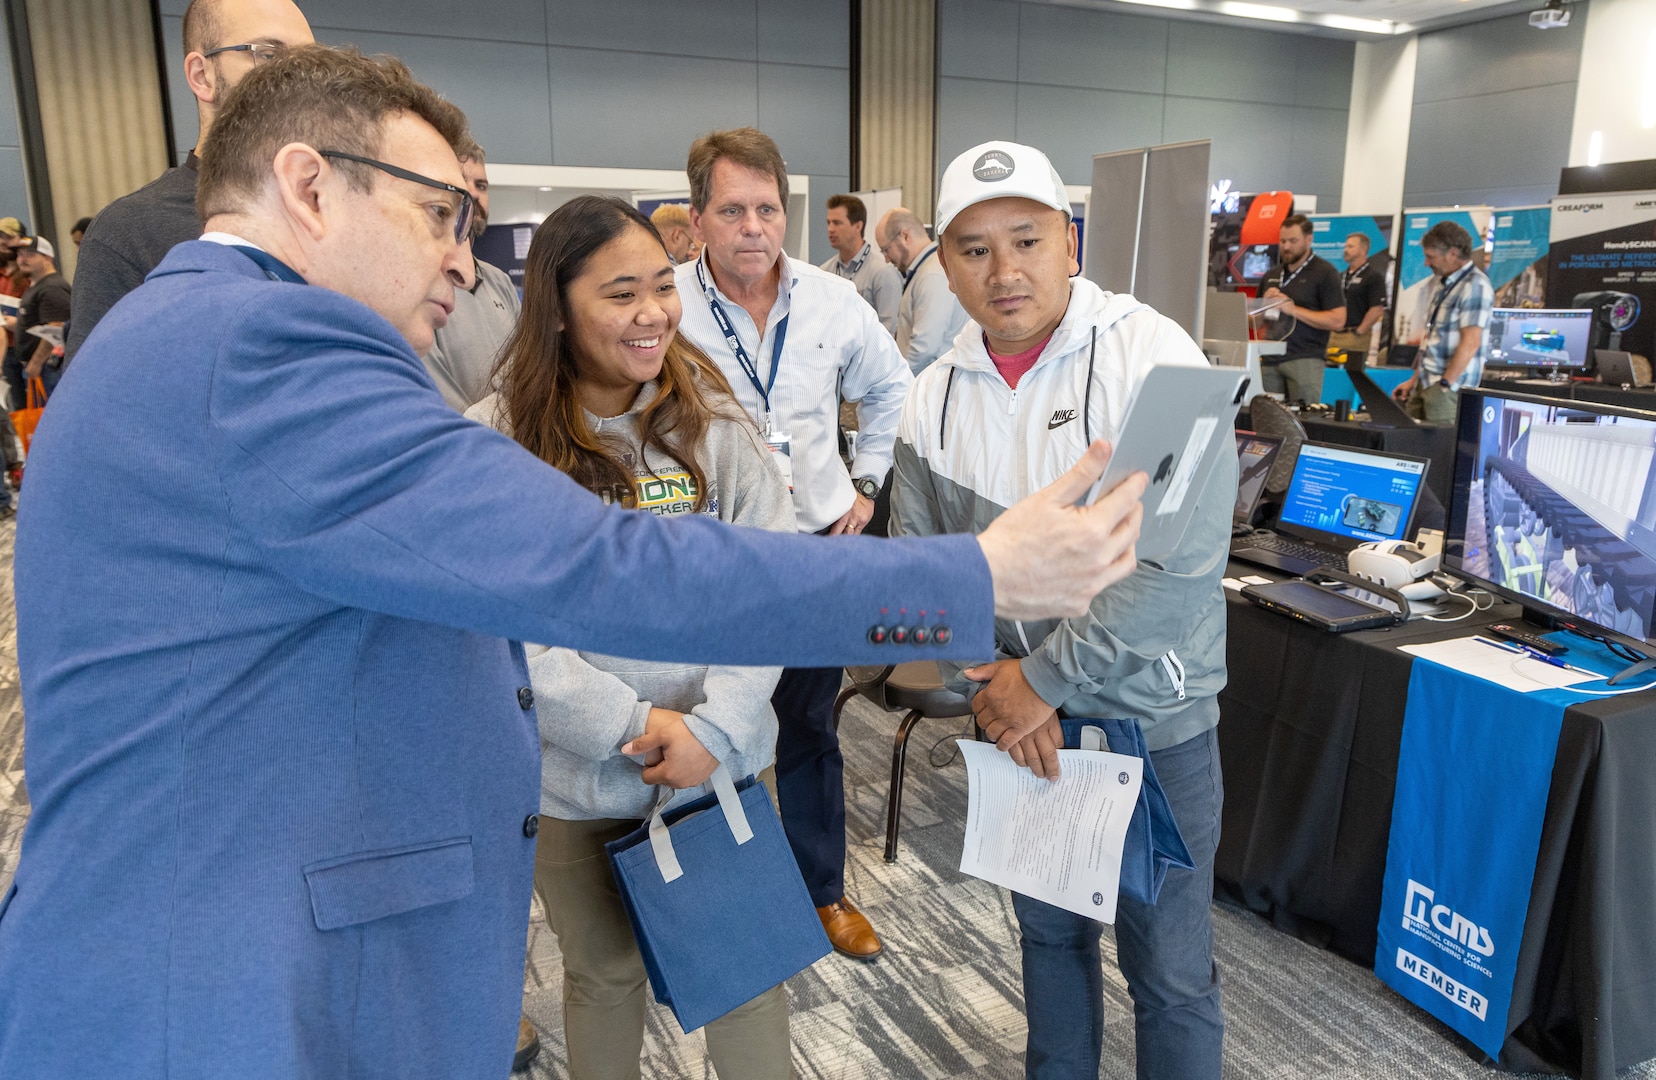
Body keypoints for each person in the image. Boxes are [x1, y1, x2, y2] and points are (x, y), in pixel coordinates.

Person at [1, 46, 1151, 1079]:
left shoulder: (191, 335)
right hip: (224, 992)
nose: (462, 261)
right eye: (441, 214)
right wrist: (976, 580)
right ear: (308, 186)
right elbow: (607, 567)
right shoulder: (268, 351)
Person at [891, 140, 1233, 1080]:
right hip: (1021, 726)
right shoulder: (931, 398)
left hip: (1152, 725)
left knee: (1168, 971)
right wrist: (995, 685)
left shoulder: (1155, 353)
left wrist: (1040, 680)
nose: (1004, 271)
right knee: (1048, 943)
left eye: (1027, 240)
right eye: (973, 249)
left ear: (1069, 244)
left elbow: (1179, 562)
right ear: (945, 266)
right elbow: (922, 568)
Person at [467, 195, 796, 1079]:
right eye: (620, 294)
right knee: (604, 977)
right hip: (581, 775)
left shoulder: (713, 422)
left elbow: (768, 587)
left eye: (662, 285)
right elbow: (502, 627)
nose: (653, 312)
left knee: (744, 975)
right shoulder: (494, 442)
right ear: (558, 308)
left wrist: (713, 728)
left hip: (720, 758)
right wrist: (633, 725)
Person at [678, 128, 913, 962]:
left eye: (768, 209)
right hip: (710, 554)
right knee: (709, 728)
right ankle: (714, 894)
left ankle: (822, 892)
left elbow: (891, 389)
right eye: (733, 209)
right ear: (698, 217)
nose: (754, 228)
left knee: (808, 724)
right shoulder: (664, 305)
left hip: (813, 546)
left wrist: (870, 483)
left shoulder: (832, 301)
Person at [65, 0, 314, 363]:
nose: (301, 81)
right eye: (268, 55)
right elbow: (96, 404)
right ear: (202, 75)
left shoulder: (337, 213)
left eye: (310, 61)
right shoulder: (130, 232)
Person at [420, 136, 521, 412]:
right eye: (463, 182)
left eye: (482, 185)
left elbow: (525, 365)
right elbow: (435, 393)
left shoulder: (500, 281)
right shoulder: (421, 281)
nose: (474, 194)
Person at [1391, 220, 1493, 422]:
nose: (1426, 263)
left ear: (1453, 254)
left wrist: (1446, 384)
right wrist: (1414, 380)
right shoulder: (1444, 284)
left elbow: (1471, 342)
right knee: (1407, 446)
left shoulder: (1475, 286)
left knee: (1439, 449)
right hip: (1426, 383)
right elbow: (1433, 341)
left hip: (1446, 390)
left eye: (1431, 257)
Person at [1258, 213, 1345, 404]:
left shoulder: (1325, 273)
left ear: (1308, 239)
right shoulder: (1272, 274)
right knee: (1264, 421)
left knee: (1303, 421)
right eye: (1282, 241)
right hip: (1270, 358)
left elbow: (1338, 320)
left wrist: (1293, 309)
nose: (1286, 246)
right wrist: (1261, 308)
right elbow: (1255, 322)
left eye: (1293, 241)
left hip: (1304, 358)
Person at [876, 206, 966, 375]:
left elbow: (925, 347)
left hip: (931, 382)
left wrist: (894, 381)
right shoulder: (925, 271)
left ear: (905, 236)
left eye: (886, 249)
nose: (886, 259)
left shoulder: (932, 275)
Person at [820, 194, 901, 333]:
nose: (830, 229)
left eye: (837, 223)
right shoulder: (825, 271)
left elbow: (888, 327)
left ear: (858, 226)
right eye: (829, 223)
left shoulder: (882, 271)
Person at [7, 238, 71, 400]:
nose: (22, 259)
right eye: (20, 255)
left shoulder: (52, 287)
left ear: (47, 258)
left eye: (30, 254)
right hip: (36, 369)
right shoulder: (36, 286)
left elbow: (55, 329)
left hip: (47, 369)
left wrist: (35, 363)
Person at [1329, 232, 1388, 366]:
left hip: (1355, 336)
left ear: (1363, 250)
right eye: (1345, 247)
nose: (1346, 250)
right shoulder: (1340, 276)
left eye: (1350, 247)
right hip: (1333, 335)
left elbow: (1377, 309)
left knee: (1351, 375)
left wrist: (1359, 331)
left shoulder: (1373, 277)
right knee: (1329, 374)